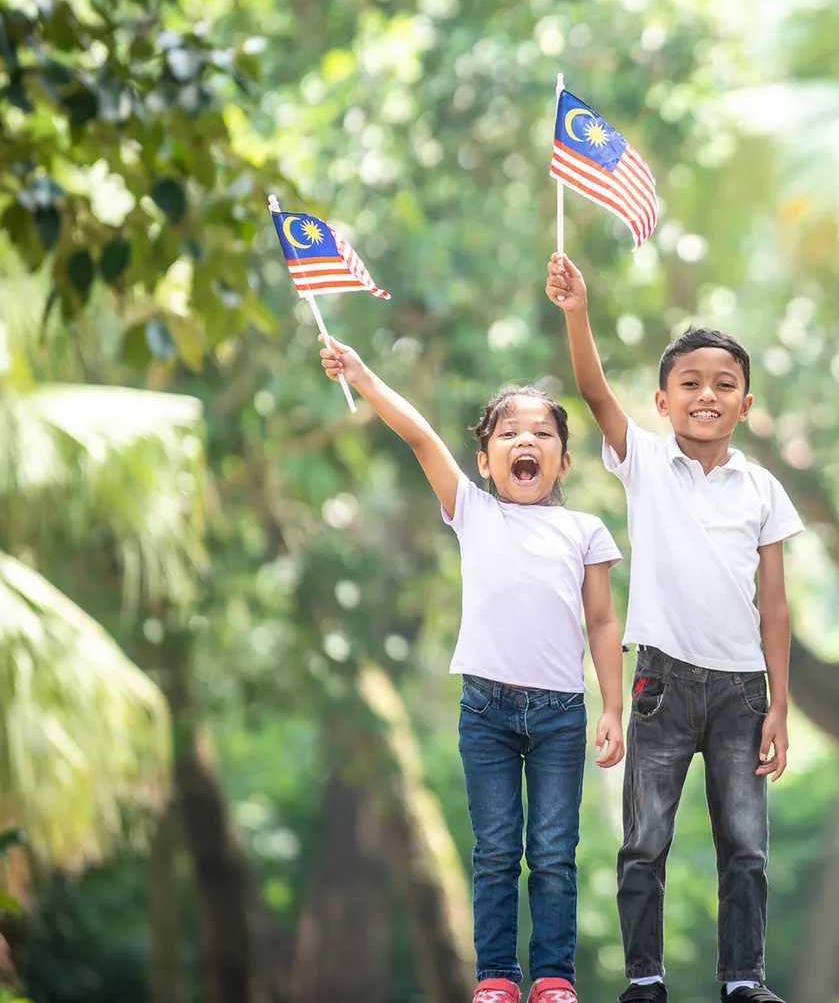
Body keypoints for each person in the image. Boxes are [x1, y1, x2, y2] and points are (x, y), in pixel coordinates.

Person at [319, 336, 627, 1003]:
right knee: (494, 853)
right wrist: (363, 376)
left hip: (560, 715)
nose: (526, 440)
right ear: (486, 463)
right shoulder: (472, 512)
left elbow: (603, 622)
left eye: (541, 432)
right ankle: (496, 979)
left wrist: (611, 708)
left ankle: (552, 978)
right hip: (485, 711)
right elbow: (422, 436)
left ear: (563, 461)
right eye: (508, 432)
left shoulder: (584, 531)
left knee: (551, 851)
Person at [545, 253, 801, 1003]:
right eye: (690, 384)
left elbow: (776, 607)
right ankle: (645, 979)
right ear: (662, 401)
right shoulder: (646, 467)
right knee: (644, 843)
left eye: (725, 385)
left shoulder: (762, 489)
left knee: (746, 849)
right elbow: (592, 393)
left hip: (741, 693)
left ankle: (744, 982)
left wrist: (779, 704)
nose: (707, 395)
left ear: (746, 404)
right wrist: (576, 312)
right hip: (659, 683)